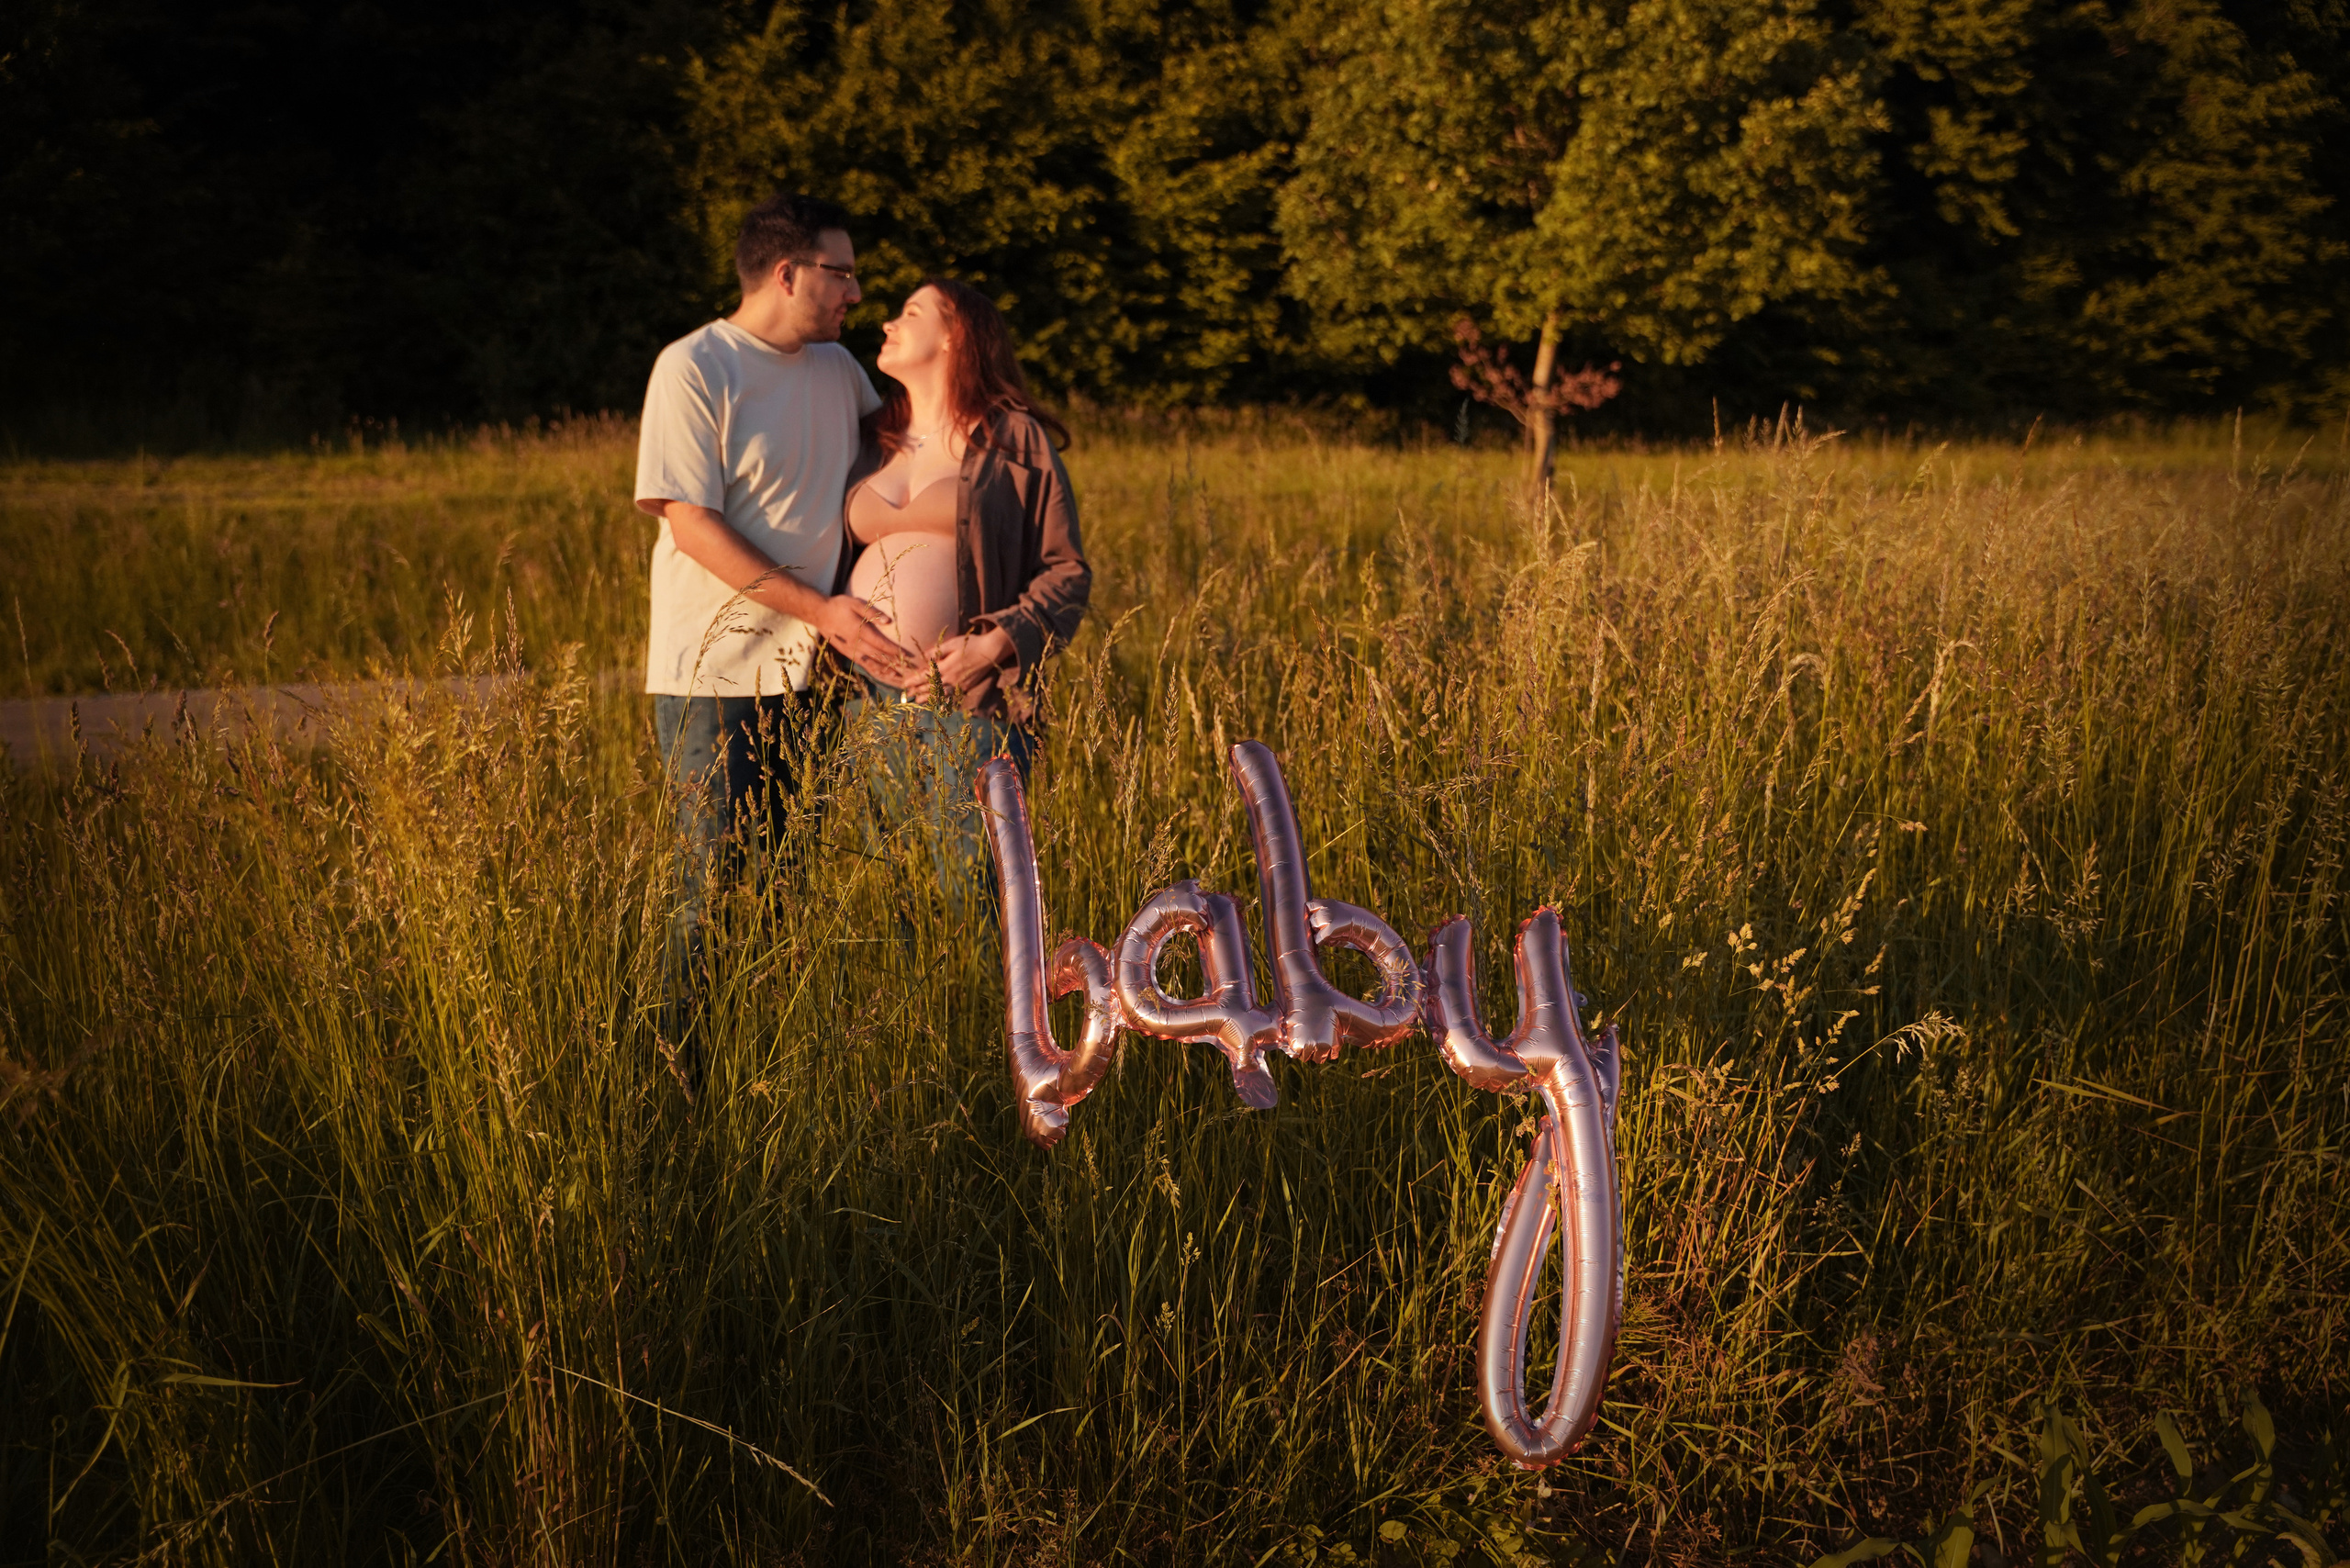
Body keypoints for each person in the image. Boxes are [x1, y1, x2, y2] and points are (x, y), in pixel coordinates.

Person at [633, 193, 911, 1050]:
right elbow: (692, 525)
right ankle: (676, 1082)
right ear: (787, 273)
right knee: (709, 890)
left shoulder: (837, 370)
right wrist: (821, 609)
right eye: (841, 273)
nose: (855, 293)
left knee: (786, 890)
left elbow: (901, 451)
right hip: (712, 682)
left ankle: (762, 1072)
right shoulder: (695, 367)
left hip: (815, 677)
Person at [837, 278, 1091, 914]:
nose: (888, 323)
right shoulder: (867, 441)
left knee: (975, 893)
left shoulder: (1014, 439)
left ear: (954, 335)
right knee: (891, 899)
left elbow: (1066, 572)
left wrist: (991, 647)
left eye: (910, 312)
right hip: (870, 702)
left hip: (973, 701)